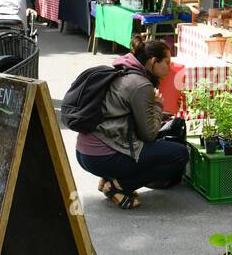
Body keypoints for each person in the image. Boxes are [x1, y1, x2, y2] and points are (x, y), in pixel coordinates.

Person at [74, 39, 187, 210]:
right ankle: (119, 186)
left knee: (156, 145)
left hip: (85, 153)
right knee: (179, 154)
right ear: (153, 62)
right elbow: (148, 134)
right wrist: (157, 107)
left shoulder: (123, 70)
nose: (169, 68)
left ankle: (108, 178)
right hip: (102, 156)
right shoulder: (141, 84)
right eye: (167, 62)